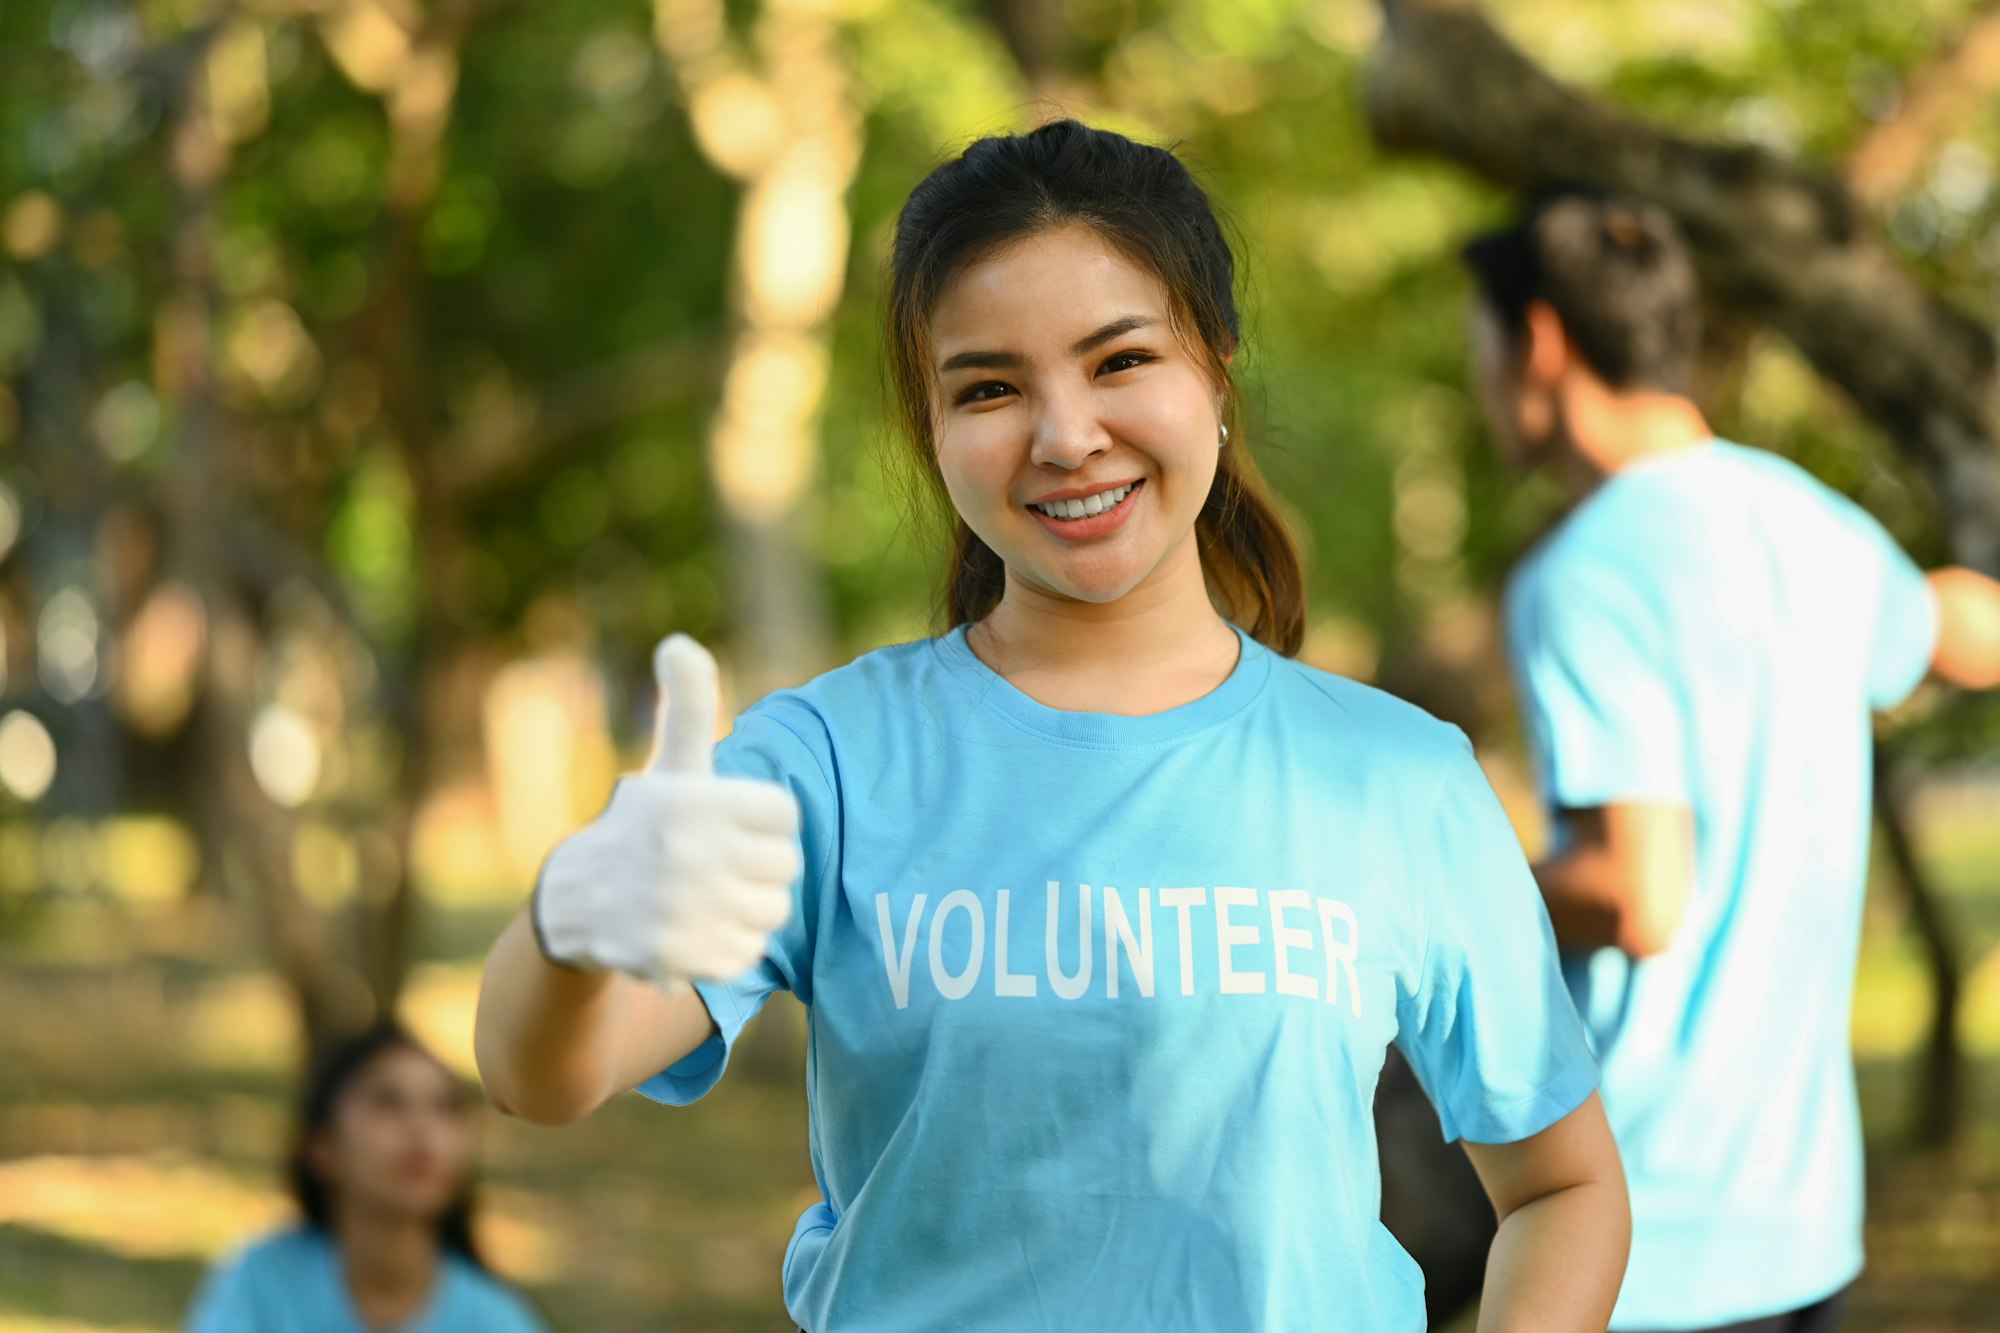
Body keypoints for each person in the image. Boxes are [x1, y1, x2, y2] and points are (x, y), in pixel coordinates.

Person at [476, 119, 1629, 1332]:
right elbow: (536, 1075)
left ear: (1216, 370)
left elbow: (1561, 1183)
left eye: (1120, 360)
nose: (1065, 435)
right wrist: (570, 922)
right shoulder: (825, 761)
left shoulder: (1396, 777)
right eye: (989, 387)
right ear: (931, 427)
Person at [1462, 190, 2000, 1333]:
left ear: (1541, 342)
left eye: (1482, 345)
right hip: (1803, 1225)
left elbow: (1634, 892)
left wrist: (1438, 897)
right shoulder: (1802, 519)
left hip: (1646, 1236)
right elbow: (1961, 627)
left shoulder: (1583, 576)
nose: (1477, 383)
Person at [186, 1025, 548, 1333]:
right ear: (321, 1147)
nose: (422, 1132)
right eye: (388, 1102)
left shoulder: (497, 1321)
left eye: (445, 1107)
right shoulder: (264, 1278)